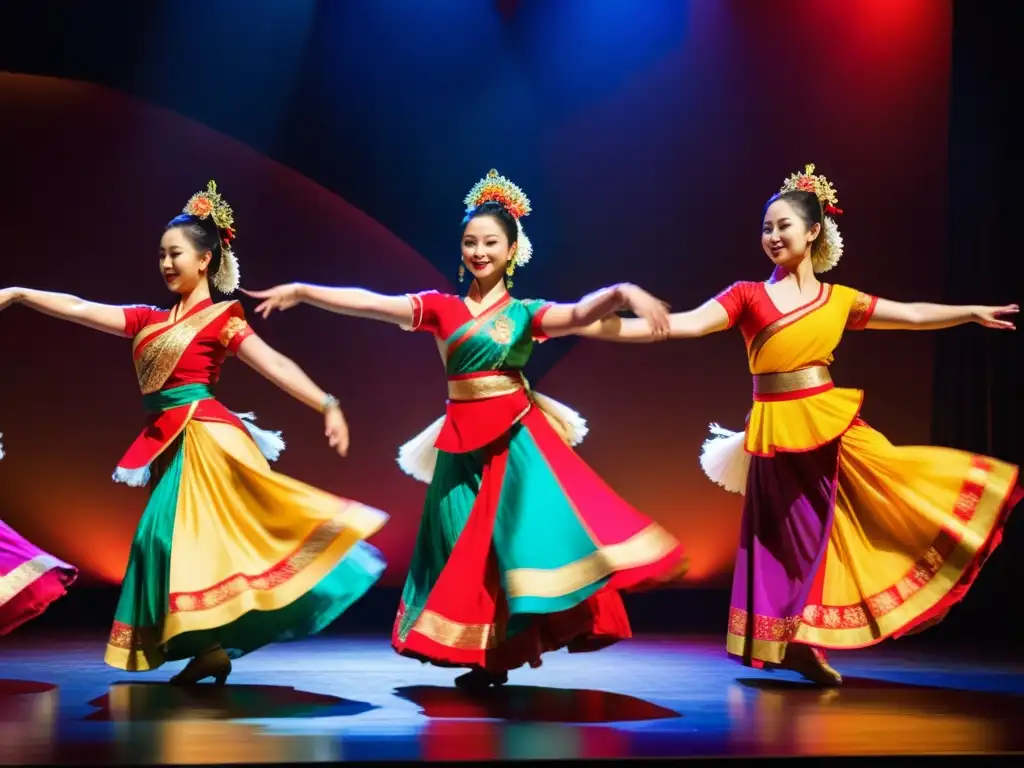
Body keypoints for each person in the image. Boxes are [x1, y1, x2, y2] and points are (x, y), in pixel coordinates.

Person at [244, 169, 687, 691]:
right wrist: (303, 290)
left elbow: (578, 313)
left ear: (511, 250)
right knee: (458, 547)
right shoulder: (442, 308)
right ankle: (484, 650)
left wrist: (623, 291)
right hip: (459, 443)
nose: (479, 251)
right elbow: (371, 302)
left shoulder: (524, 313)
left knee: (509, 548)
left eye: (490, 242)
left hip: (514, 443)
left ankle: (495, 659)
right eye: (470, 242)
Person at [578, 163, 1020, 684]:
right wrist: (601, 326)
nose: (772, 236)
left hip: (830, 429)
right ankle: (789, 643)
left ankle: (805, 640)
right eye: (766, 228)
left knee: (856, 517)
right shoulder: (747, 295)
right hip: (775, 434)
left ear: (813, 232)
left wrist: (968, 312)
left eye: (783, 226)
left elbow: (912, 315)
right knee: (777, 541)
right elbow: (684, 325)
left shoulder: (839, 300)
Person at [0, 181, 389, 684]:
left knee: (165, 538)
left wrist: (326, 403)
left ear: (205, 260)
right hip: (169, 441)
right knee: (167, 543)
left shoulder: (222, 317)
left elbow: (270, 362)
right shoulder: (147, 320)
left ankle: (215, 640)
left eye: (175, 253)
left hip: (207, 438)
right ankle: (208, 649)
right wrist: (22, 294)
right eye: (161, 254)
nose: (165, 263)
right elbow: (78, 307)